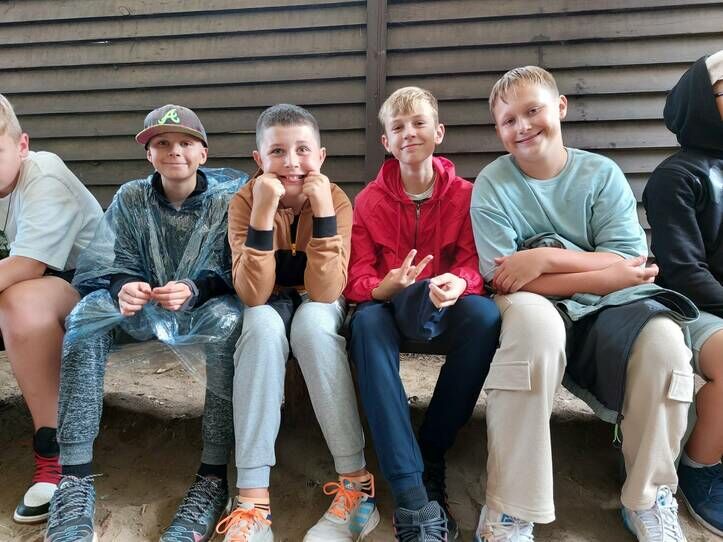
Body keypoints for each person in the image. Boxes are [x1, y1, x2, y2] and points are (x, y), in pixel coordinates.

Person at [471, 66, 696, 542]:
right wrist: (604, 272)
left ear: (560, 107)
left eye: (533, 110)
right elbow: (504, 278)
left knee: (665, 344)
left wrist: (543, 257)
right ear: (498, 129)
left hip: (612, 298)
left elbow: (627, 262)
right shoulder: (493, 184)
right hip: (536, 301)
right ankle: (510, 507)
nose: (523, 126)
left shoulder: (601, 174)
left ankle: (649, 497)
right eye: (508, 120)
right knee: (534, 334)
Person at [44, 104, 246, 542]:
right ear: (148, 154)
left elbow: (234, 267)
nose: (175, 151)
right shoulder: (132, 197)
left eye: (186, 143)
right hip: (141, 306)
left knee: (229, 323)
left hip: (202, 303)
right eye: (162, 143)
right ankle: (73, 475)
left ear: (203, 153)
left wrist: (195, 287)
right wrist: (124, 285)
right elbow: (110, 259)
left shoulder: (227, 200)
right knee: (86, 317)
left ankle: (213, 474)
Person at [345, 86, 501, 542]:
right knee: (365, 324)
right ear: (386, 142)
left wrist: (461, 282)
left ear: (439, 132)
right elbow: (357, 277)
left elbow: (475, 263)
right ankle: (412, 494)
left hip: (446, 306)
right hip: (389, 310)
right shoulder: (368, 202)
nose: (409, 133)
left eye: (419, 123)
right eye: (398, 127)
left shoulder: (467, 195)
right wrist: (384, 287)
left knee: (485, 317)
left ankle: (431, 450)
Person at [223, 103, 376, 542]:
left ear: (321, 156)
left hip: (316, 297)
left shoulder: (337, 199)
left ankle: (357, 487)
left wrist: (323, 210)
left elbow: (327, 291)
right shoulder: (245, 200)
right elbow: (252, 294)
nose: (292, 162)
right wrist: (262, 212)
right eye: (277, 152)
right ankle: (253, 501)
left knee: (312, 325)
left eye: (303, 150)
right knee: (260, 326)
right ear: (259, 159)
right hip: (268, 297)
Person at [0, 93, 103, 524]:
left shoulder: (44, 174)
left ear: (21, 145)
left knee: (20, 302)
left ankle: (54, 456)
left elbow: (27, 265)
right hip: (26, 284)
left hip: (94, 290)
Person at [643, 50, 723, 537]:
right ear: (702, 101)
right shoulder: (677, 177)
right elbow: (685, 271)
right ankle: (702, 466)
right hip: (693, 308)